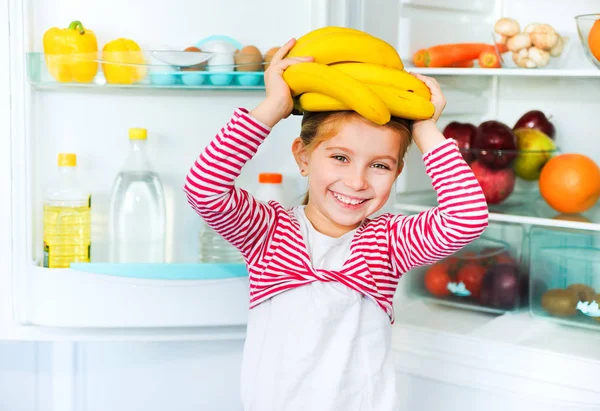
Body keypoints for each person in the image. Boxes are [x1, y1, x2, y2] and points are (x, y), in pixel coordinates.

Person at [184, 37, 488, 411]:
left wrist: (425, 128)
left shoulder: (388, 242)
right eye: (340, 157)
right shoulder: (268, 232)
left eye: (379, 165)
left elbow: (467, 217)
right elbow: (204, 189)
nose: (358, 182)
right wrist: (273, 107)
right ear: (304, 157)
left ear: (397, 172)